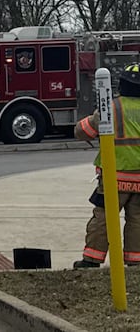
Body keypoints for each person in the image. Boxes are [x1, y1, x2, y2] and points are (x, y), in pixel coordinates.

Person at [73, 63, 140, 268]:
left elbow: (82, 132)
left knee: (103, 218)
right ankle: (136, 261)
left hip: (114, 177)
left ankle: (92, 259)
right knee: (137, 220)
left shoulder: (110, 107)